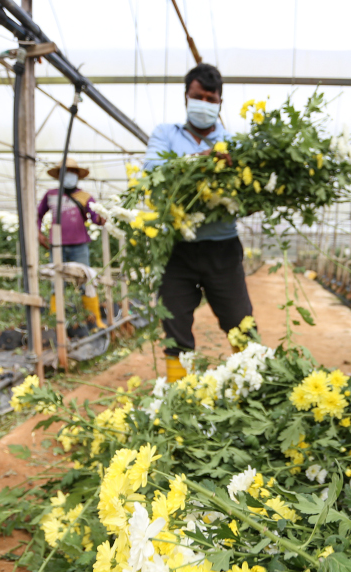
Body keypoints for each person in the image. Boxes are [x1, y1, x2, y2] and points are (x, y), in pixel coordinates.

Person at [143, 62, 255, 381]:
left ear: (219, 102)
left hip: (221, 248)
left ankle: (252, 384)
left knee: (240, 322)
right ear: (185, 97)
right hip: (176, 248)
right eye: (197, 97)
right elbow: (153, 172)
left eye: (210, 98)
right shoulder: (165, 134)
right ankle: (180, 394)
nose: (203, 104)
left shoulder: (235, 145)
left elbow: (248, 197)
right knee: (174, 324)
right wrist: (205, 162)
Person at [36, 157, 105, 330]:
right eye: (65, 173)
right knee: (57, 283)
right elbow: (37, 214)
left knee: (85, 282)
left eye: (72, 172)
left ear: (77, 175)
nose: (69, 176)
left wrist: (101, 218)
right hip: (57, 246)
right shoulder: (50, 195)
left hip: (79, 245)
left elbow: (95, 217)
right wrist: (37, 232)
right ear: (59, 176)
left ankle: (94, 321)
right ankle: (55, 322)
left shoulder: (85, 197)